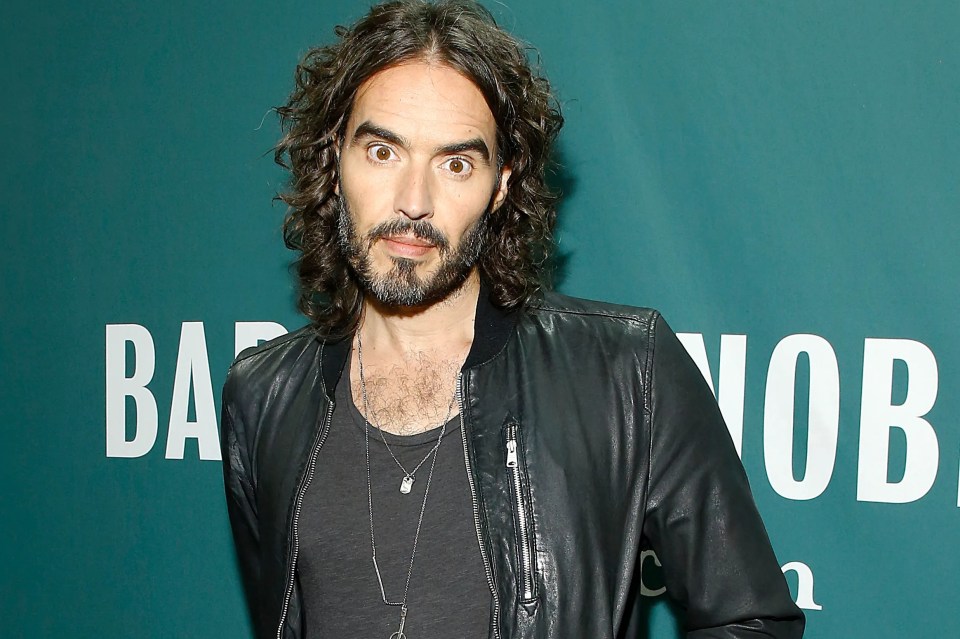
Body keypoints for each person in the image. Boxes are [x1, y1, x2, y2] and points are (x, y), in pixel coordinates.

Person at [220, 1, 806, 638]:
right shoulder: (263, 395)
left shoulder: (627, 373)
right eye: (384, 152)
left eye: (455, 164)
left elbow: (753, 622)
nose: (414, 202)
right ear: (335, 162)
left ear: (500, 185)